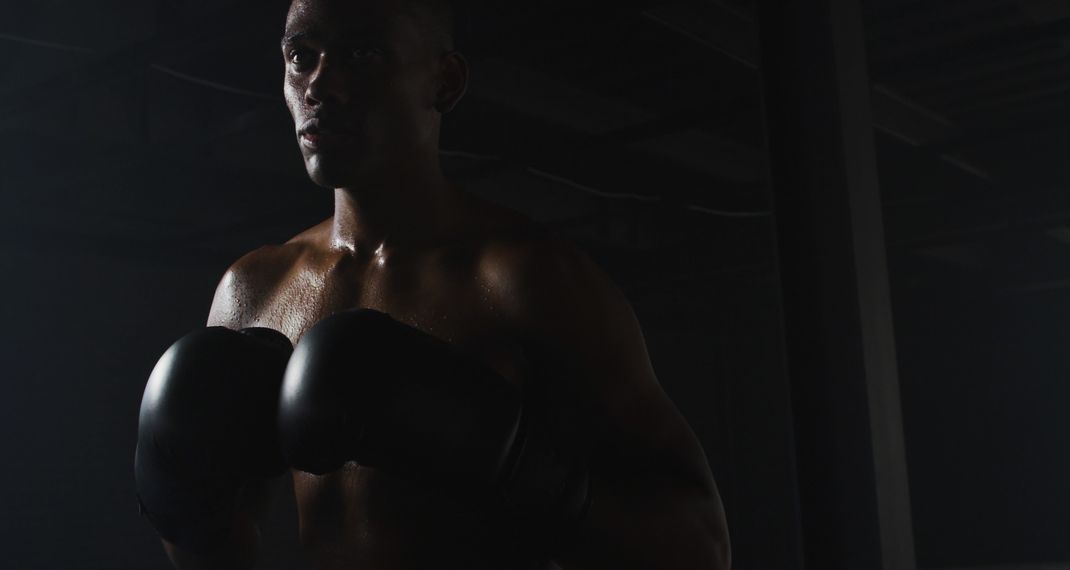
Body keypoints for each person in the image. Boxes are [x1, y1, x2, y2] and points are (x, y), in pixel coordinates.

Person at [134, 0, 731, 568]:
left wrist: (514, 465)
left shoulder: (528, 280)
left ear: (443, 82)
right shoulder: (253, 290)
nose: (319, 84)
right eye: (301, 55)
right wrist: (183, 504)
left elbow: (700, 549)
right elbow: (219, 555)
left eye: (363, 54)